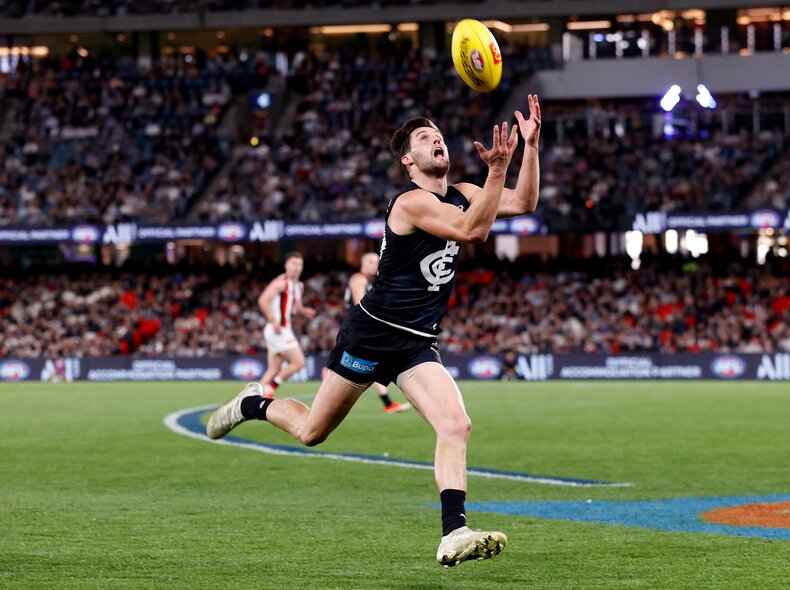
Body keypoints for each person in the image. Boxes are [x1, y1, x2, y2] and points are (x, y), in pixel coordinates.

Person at [208, 94, 541, 566]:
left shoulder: (466, 191)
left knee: (455, 424)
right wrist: (497, 170)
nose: (437, 141)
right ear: (409, 160)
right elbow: (472, 231)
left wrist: (530, 147)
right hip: (371, 332)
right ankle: (252, 403)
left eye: (438, 135)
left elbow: (524, 202)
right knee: (311, 432)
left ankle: (454, 532)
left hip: (416, 340)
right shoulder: (409, 202)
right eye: (425, 139)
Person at [345, 252, 412, 414]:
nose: (374, 265)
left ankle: (389, 404)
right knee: (374, 366)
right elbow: (360, 306)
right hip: (358, 330)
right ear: (362, 263)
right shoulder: (358, 279)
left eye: (376, 262)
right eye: (370, 261)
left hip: (363, 331)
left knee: (377, 366)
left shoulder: (373, 282)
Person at [257, 251, 317, 398]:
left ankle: (248, 399)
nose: (297, 267)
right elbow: (262, 300)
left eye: (299, 264)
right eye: (294, 264)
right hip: (279, 330)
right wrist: (272, 320)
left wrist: (304, 311)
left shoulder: (298, 286)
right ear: (286, 265)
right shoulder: (281, 283)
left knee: (273, 369)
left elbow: (296, 307)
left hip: (281, 330)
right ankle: (271, 388)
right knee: (299, 362)